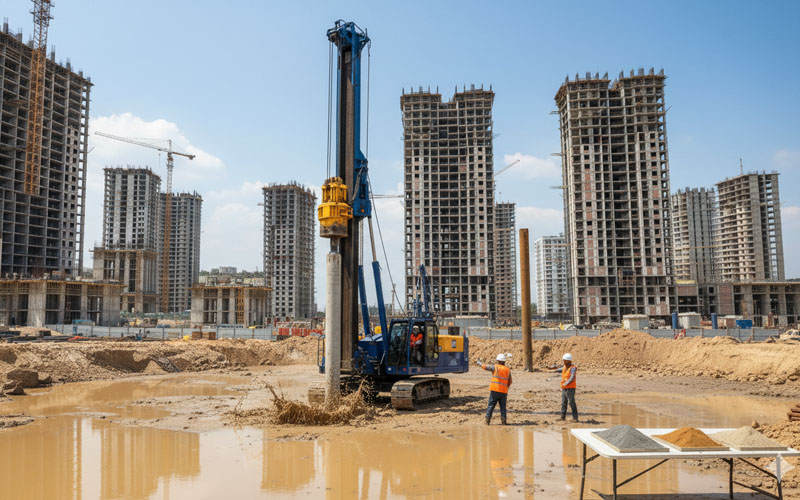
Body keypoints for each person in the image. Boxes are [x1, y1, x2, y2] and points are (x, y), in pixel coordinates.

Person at [477, 353, 512, 425]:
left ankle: (487, 421)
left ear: (498, 361)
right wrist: (506, 388)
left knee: (491, 406)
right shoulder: (508, 370)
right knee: (503, 407)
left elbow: (486, 367)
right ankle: (504, 422)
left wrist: (479, 363)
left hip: (495, 390)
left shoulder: (495, 367)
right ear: (504, 361)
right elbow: (510, 381)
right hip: (503, 392)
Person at [557, 353, 578, 421]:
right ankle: (563, 417)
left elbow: (572, 377)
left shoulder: (573, 368)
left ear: (569, 361)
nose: (564, 362)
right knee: (563, 402)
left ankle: (575, 418)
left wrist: (566, 383)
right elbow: (558, 369)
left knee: (571, 402)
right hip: (564, 388)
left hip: (570, 388)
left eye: (565, 360)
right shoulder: (564, 367)